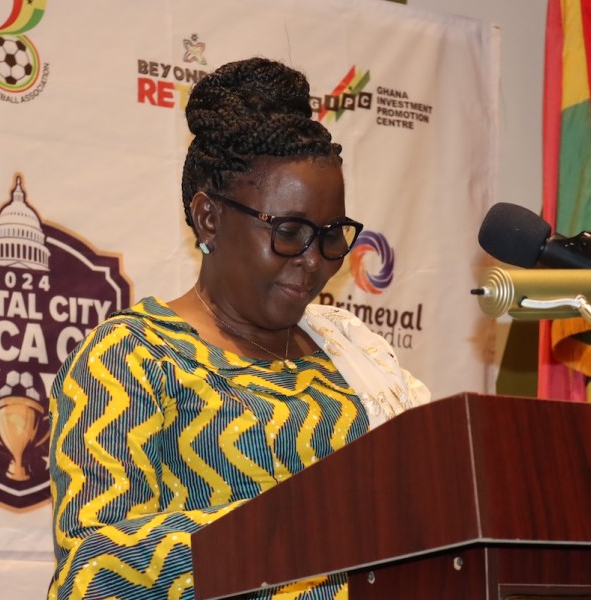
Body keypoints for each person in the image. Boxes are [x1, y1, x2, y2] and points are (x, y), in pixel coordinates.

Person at [48, 57, 430, 600]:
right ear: (209, 218)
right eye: (289, 231)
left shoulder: (352, 353)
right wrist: (316, 524)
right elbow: (95, 567)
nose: (314, 261)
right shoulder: (132, 355)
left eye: (330, 235)